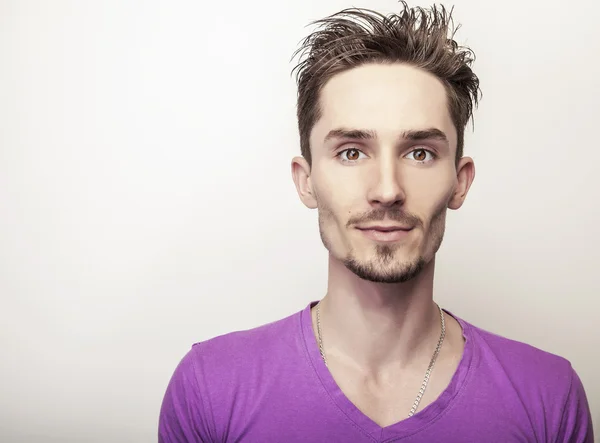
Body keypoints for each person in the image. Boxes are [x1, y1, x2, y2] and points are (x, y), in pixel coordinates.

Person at [158, 3, 594, 442]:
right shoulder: (209, 388)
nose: (387, 189)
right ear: (306, 181)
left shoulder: (547, 396)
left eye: (420, 152)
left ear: (459, 183)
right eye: (351, 151)